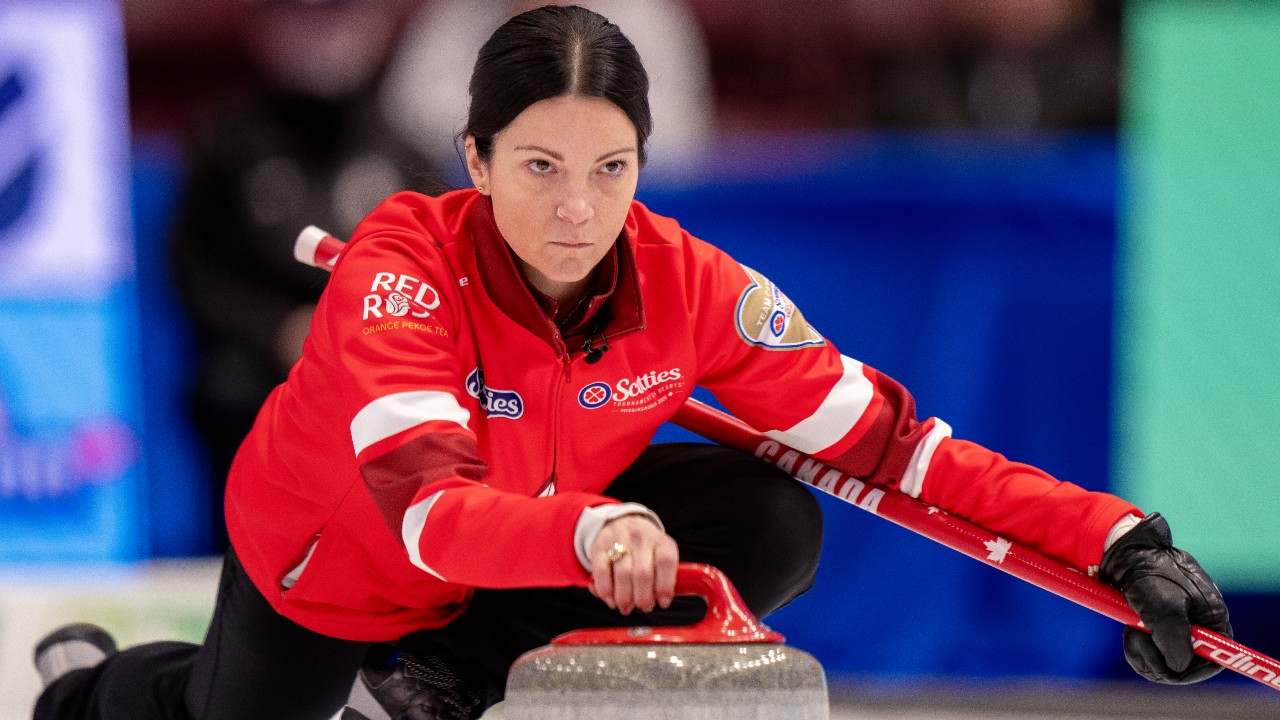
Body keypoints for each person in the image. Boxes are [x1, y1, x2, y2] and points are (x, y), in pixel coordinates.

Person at [33, 5, 1230, 720]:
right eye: (539, 168)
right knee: (215, 711)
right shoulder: (401, 264)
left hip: (522, 551)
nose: (577, 210)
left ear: (645, 165)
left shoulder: (689, 283)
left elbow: (892, 449)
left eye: (609, 169)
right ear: (475, 158)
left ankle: (439, 681)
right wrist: (590, 531)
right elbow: (426, 516)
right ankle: (83, 684)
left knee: (773, 517)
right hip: (338, 557)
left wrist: (1116, 544)